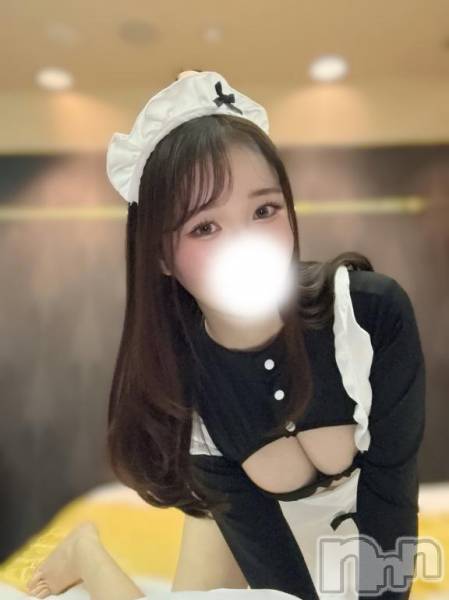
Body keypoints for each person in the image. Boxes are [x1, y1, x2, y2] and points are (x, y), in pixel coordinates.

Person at [26, 70, 426, 599]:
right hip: (244, 536)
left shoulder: (368, 315)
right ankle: (86, 551)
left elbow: (391, 494)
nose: (246, 243)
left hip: (367, 543)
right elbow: (274, 572)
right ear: (161, 256)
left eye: (264, 210)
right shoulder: (184, 384)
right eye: (204, 227)